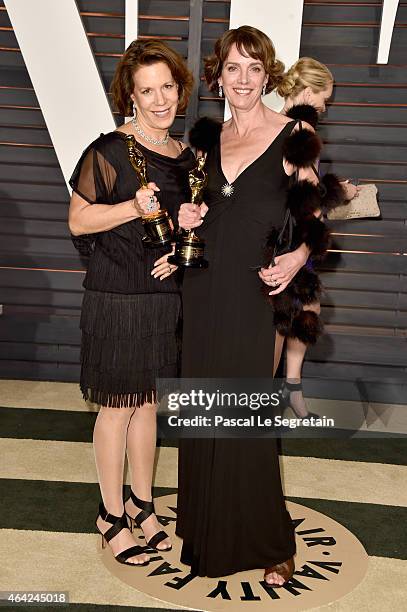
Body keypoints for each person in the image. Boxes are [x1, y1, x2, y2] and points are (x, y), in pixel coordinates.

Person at [175, 26, 327, 585]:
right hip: (202, 288)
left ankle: (271, 539)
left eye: (254, 69)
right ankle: (205, 528)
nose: (243, 80)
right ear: (217, 74)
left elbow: (317, 217)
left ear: (268, 76)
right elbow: (192, 211)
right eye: (233, 68)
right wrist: (185, 218)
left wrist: (297, 259)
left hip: (255, 293)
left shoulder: (294, 138)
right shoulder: (204, 140)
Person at [68, 39, 195, 566]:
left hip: (161, 297)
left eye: (167, 86)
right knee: (117, 408)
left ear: (179, 88)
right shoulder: (110, 150)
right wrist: (128, 208)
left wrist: (185, 250)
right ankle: (110, 516)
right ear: (132, 96)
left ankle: (143, 507)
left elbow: (184, 231)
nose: (160, 98)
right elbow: (78, 221)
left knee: (146, 405)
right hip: (117, 295)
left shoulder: (185, 156)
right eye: (148, 90)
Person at [274, 57, 358, 418]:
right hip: (289, 236)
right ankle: (281, 393)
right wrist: (342, 194)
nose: (326, 105)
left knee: (304, 308)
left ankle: (289, 388)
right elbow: (310, 197)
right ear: (307, 91)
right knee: (286, 315)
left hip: (282, 233)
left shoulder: (273, 121)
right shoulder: (301, 129)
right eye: (325, 97)